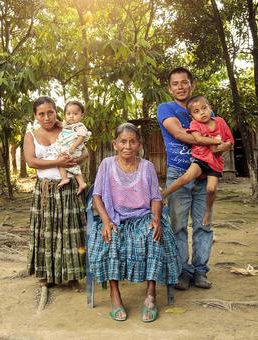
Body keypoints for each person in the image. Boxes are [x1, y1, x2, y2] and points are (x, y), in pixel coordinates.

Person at [88, 123, 180, 323]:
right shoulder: (106, 164)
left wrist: (156, 219)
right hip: (114, 218)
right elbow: (96, 197)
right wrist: (105, 220)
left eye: (132, 141)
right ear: (115, 144)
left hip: (143, 217)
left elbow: (156, 197)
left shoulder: (147, 166)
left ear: (139, 144)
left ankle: (150, 294)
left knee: (153, 236)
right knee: (110, 239)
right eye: (123, 141)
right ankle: (115, 295)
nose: (127, 146)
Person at [156, 67, 232, 291]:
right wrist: (214, 142)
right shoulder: (166, 108)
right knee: (178, 226)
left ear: (192, 85)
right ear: (170, 89)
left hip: (205, 174)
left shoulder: (204, 110)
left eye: (184, 82)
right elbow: (179, 134)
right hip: (179, 172)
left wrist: (224, 144)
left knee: (203, 225)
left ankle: (200, 272)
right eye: (175, 84)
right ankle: (182, 272)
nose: (180, 87)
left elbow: (226, 140)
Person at [23, 96, 87, 288]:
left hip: (68, 189)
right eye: (41, 114)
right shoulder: (31, 135)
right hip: (45, 190)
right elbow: (31, 161)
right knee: (46, 232)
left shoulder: (68, 129)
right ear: (35, 115)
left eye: (50, 112)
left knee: (70, 231)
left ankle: (73, 275)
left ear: (56, 112)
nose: (46, 117)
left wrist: (76, 159)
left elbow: (85, 152)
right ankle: (46, 275)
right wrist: (57, 162)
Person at [161, 95, 234, 226]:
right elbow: (199, 139)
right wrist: (217, 142)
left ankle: (207, 212)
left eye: (204, 108)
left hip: (215, 164)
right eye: (196, 111)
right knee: (186, 177)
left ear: (210, 108)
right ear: (192, 116)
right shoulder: (195, 124)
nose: (202, 113)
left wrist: (226, 145)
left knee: (211, 189)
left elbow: (230, 140)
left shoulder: (220, 122)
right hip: (201, 159)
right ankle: (164, 194)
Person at [56, 100, 91, 195]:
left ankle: (65, 179)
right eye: (68, 114)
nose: (71, 116)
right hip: (70, 149)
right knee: (67, 163)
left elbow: (82, 136)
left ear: (81, 115)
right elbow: (61, 124)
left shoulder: (79, 126)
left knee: (62, 161)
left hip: (74, 149)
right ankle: (81, 182)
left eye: (75, 113)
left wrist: (73, 147)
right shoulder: (68, 126)